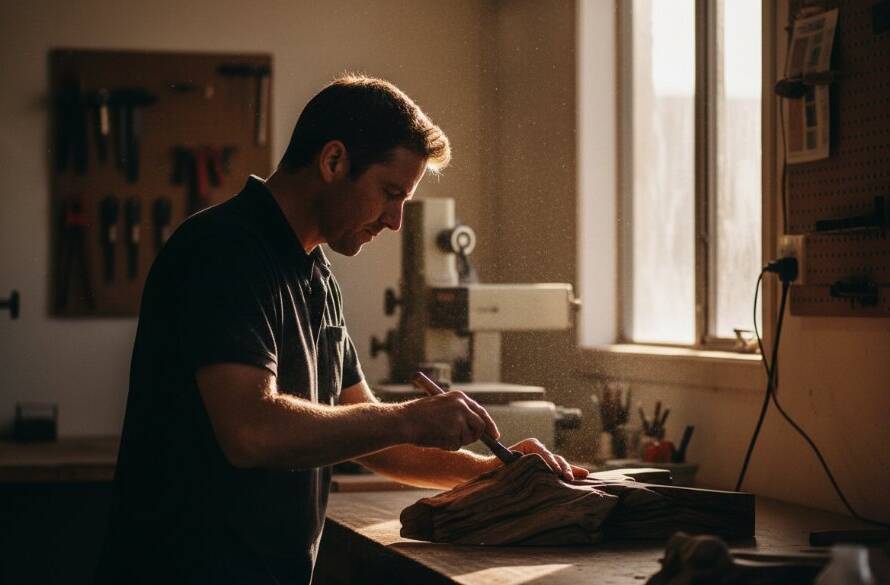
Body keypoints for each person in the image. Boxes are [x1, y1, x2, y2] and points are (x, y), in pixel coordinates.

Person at [95, 74, 587, 585]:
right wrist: (411, 418)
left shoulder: (317, 276)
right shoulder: (223, 251)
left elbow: (373, 438)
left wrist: (496, 472)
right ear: (333, 162)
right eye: (390, 192)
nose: (396, 221)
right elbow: (251, 431)